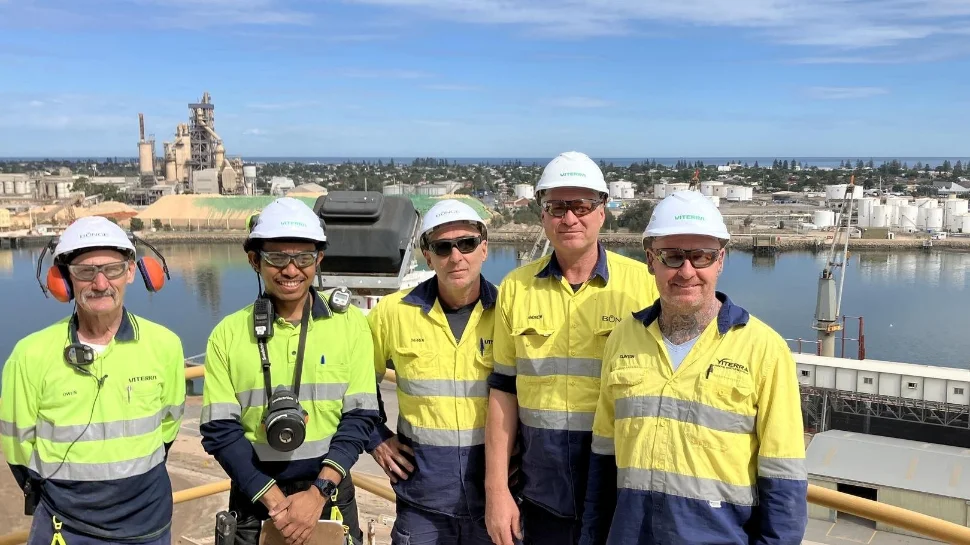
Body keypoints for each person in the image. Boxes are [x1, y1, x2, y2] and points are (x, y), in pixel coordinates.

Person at [579, 190, 808, 545]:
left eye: (700, 256)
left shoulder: (764, 349)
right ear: (651, 260)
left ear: (720, 260)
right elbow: (603, 461)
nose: (686, 272)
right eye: (672, 256)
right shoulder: (623, 338)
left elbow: (784, 481)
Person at [484, 151, 660, 545]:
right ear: (542, 215)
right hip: (543, 491)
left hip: (621, 489)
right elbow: (503, 392)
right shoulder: (516, 288)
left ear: (603, 211)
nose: (569, 218)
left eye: (581, 206)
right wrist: (496, 492)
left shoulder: (643, 286)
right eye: (557, 207)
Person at [200, 197, 380, 545]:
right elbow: (220, 430)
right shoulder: (228, 334)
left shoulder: (350, 326)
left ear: (319, 260)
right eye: (277, 257)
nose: (291, 269)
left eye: (303, 257)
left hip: (329, 493)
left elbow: (360, 417)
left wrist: (318, 493)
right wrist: (274, 501)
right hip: (256, 496)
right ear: (255, 260)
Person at [0, 216, 184, 545]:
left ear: (132, 271)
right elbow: (17, 448)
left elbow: (168, 427)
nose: (100, 284)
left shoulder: (165, 345)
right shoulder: (30, 354)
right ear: (64, 280)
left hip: (147, 524)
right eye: (86, 272)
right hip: (66, 526)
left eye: (112, 269)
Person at [366, 199, 497, 544]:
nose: (456, 257)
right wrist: (375, 438)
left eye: (466, 244)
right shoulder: (393, 313)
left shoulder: (508, 314)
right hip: (422, 501)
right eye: (443, 247)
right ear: (428, 256)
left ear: (484, 248)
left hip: (495, 500)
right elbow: (356, 383)